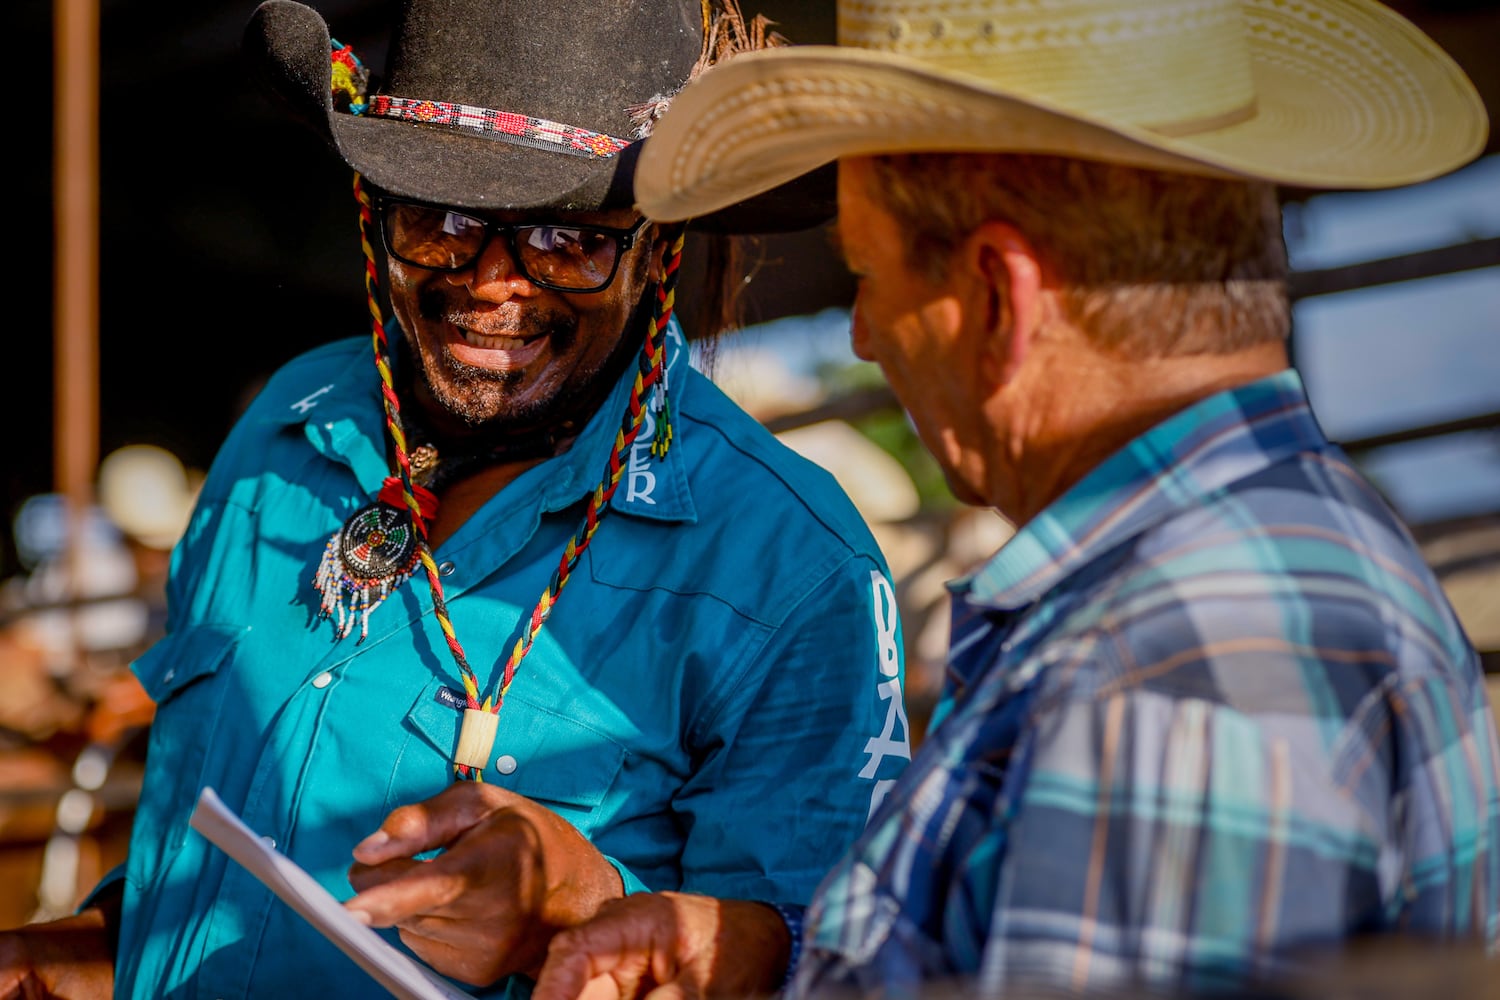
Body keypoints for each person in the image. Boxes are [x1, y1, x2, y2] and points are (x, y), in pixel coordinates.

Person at [529, 0, 1500, 997]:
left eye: (867, 275)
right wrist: (758, 959)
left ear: (999, 296)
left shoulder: (1180, 668)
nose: (861, 335)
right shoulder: (1273, 565)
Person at [0, 1, 913, 997]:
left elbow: (831, 965)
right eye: (441, 219)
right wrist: (103, 941)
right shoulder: (284, 429)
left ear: (657, 248)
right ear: (371, 212)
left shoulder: (793, 568)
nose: (492, 284)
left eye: (566, 239)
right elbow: (216, 819)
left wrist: (581, 906)